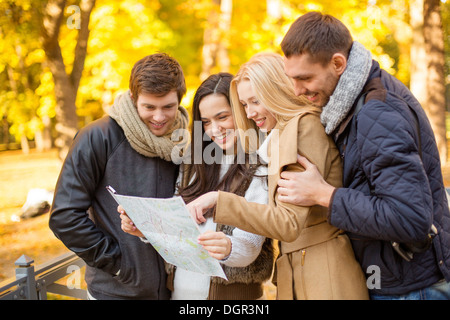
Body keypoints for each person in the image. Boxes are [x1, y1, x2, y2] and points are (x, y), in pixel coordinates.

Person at [276, 12, 450, 299]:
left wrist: (324, 195)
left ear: (338, 63)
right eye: (291, 79)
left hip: (411, 289)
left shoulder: (377, 111)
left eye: (305, 78)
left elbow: (409, 219)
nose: (297, 90)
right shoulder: (356, 101)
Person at [187, 53, 368, 300]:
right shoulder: (283, 133)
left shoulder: (303, 126)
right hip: (299, 267)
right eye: (244, 104)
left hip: (323, 271)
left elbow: (288, 223)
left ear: (276, 91)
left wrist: (219, 200)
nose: (249, 113)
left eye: (255, 101)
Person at [120, 72, 274, 300]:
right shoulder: (192, 164)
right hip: (180, 293)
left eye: (222, 117)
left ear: (242, 111)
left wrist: (229, 248)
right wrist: (145, 229)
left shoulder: (261, 165)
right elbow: (176, 228)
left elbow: (252, 244)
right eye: (206, 122)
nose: (215, 130)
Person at [49, 53, 189, 300]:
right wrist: (118, 264)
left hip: (173, 290)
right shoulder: (96, 137)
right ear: (134, 98)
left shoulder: (184, 141)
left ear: (179, 100)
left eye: (168, 106)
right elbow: (65, 216)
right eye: (149, 107)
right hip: (115, 291)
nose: (159, 117)